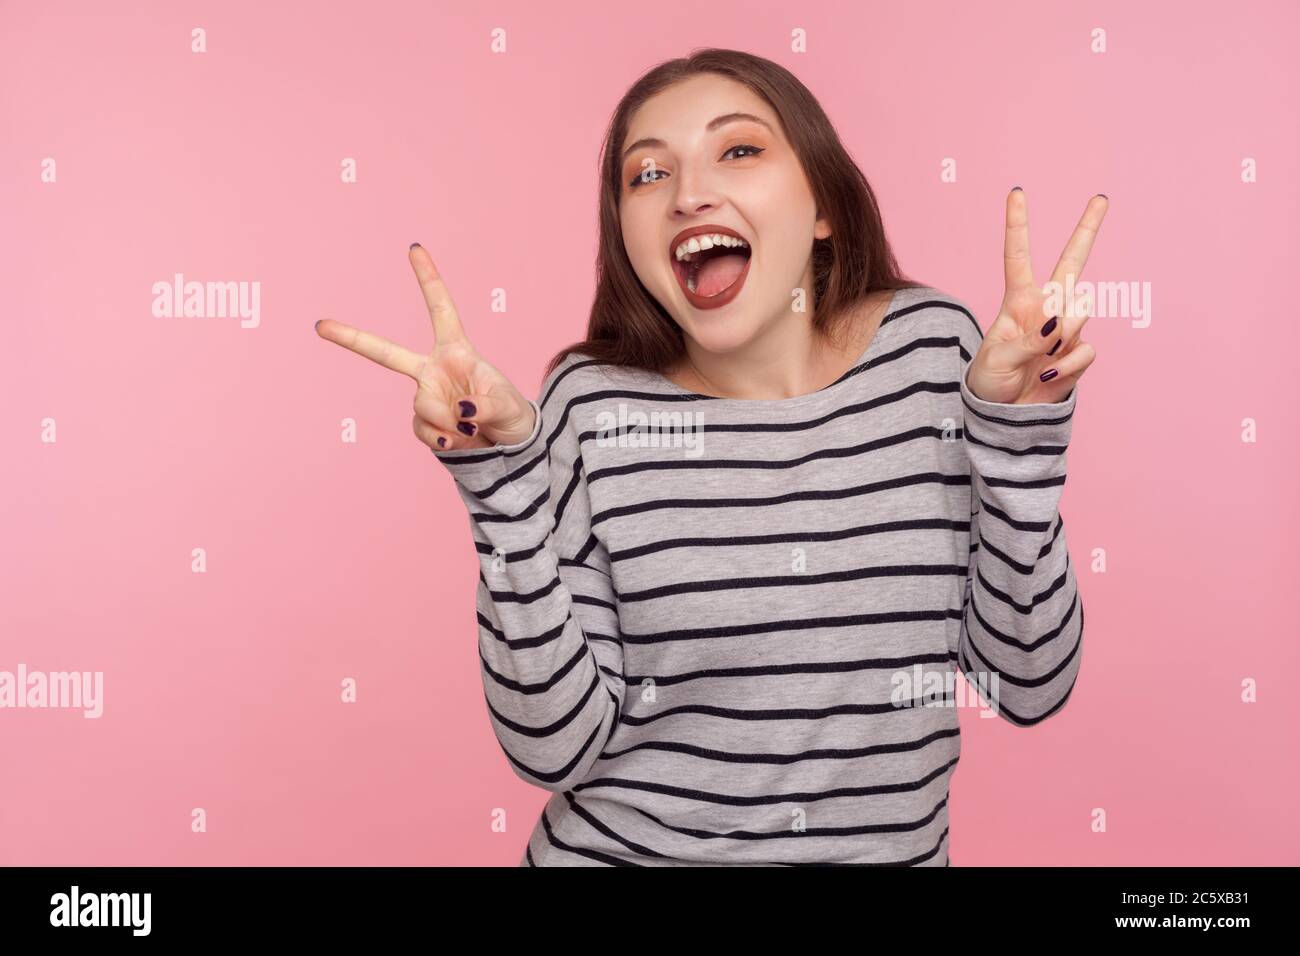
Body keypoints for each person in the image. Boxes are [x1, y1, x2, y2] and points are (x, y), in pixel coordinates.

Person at [315, 48, 1105, 866]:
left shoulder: (933, 353)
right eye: (647, 175)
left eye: (739, 150)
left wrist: (1018, 445)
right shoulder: (593, 405)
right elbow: (551, 750)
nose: (688, 194)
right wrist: (503, 491)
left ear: (824, 206)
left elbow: (1028, 684)